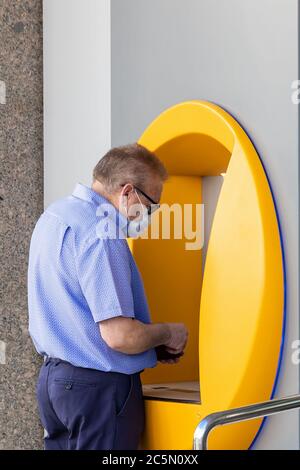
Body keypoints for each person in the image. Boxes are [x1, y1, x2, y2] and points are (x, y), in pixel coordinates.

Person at [28, 143, 188, 450]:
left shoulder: (54, 217)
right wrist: (168, 332)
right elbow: (120, 337)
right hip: (98, 391)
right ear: (128, 192)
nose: (149, 215)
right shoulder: (103, 232)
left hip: (54, 384)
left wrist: (152, 347)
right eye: (151, 205)